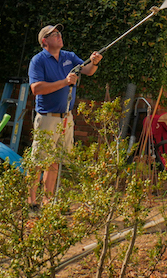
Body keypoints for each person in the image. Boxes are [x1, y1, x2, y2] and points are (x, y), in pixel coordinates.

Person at [27, 23, 102, 205]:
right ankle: (31, 204)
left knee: (54, 162)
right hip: (47, 118)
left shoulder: (69, 56)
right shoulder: (38, 60)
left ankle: (47, 203)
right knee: (37, 163)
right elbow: (36, 89)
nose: (59, 35)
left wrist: (94, 62)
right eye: (55, 34)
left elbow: (88, 71)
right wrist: (64, 82)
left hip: (66, 118)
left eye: (60, 33)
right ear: (45, 40)